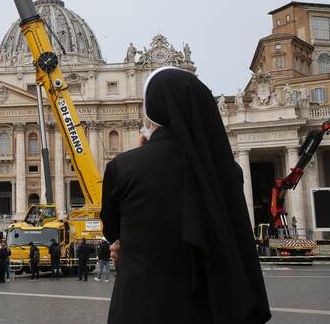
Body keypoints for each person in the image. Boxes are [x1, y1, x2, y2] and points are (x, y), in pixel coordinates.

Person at [100, 67, 271, 323]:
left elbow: (112, 230)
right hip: (209, 308)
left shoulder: (123, 167)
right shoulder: (227, 171)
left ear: (154, 110)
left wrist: (137, 155)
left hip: (142, 307)